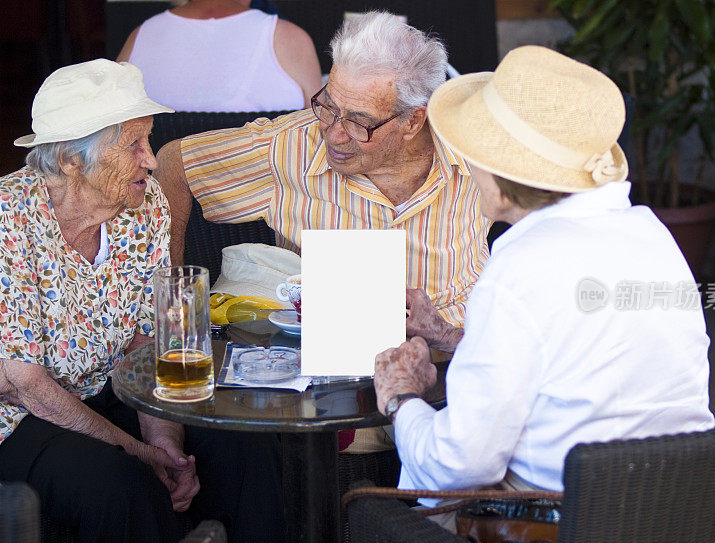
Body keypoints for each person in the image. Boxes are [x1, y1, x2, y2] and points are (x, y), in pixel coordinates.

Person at [373, 46, 715, 501]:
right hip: (680, 514)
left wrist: (401, 398)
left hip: (562, 540)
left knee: (384, 508)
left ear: (499, 174)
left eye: (472, 153)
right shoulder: (650, 234)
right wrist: (451, 335)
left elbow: (460, 463)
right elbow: (576, 359)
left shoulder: (519, 267)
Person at [0, 59, 284, 543]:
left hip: (108, 389)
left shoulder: (145, 205)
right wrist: (142, 453)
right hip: (16, 418)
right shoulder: (9, 218)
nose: (152, 162)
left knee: (243, 445)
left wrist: (167, 440)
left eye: (148, 142)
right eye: (133, 145)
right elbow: (28, 385)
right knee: (122, 485)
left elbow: (147, 340)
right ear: (69, 159)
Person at [155, 10, 490, 452]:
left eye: (359, 121)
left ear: (413, 121)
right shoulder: (289, 148)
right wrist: (180, 316)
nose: (333, 135)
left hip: (464, 380)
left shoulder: (477, 153)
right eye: (329, 106)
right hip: (340, 396)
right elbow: (174, 166)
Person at [117, 0, 322, 111]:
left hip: (160, 187)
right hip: (265, 187)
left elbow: (110, 130)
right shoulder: (291, 39)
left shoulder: (141, 36)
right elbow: (318, 131)